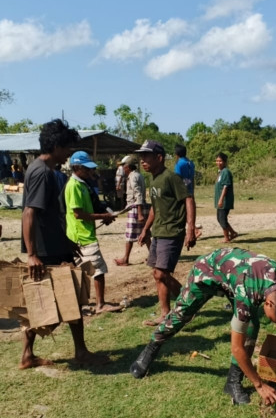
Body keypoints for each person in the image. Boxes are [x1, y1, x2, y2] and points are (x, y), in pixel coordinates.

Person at [130, 247, 276, 405]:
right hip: (207, 273)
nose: (275, 323)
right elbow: (236, 348)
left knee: (251, 325)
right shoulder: (247, 296)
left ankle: (232, 382)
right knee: (180, 316)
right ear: (269, 304)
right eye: (275, 320)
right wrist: (259, 385)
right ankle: (150, 349)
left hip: (234, 277)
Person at [20, 119, 105, 369]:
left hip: (55, 246)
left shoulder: (48, 171)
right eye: (67, 147)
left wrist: (67, 241)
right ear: (56, 145)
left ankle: (30, 355)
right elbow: (29, 213)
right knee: (69, 298)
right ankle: (80, 352)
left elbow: (49, 216)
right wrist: (33, 254)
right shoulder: (41, 173)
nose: (69, 153)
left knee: (44, 301)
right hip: (46, 252)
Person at [136, 139, 197, 326]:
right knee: (157, 273)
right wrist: (146, 229)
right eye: (141, 157)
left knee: (161, 273)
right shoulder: (153, 179)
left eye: (146, 156)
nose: (142, 160)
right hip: (158, 232)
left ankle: (189, 304)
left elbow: (188, 199)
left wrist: (191, 228)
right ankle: (165, 313)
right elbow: (155, 207)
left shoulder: (171, 177)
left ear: (159, 157)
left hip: (172, 231)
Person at [63, 151, 121, 314]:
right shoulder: (74, 186)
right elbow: (78, 214)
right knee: (98, 270)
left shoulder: (83, 184)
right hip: (81, 235)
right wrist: (103, 216)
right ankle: (100, 304)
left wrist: (105, 215)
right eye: (86, 169)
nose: (90, 172)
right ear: (76, 167)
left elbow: (91, 207)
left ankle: (80, 305)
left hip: (84, 233)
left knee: (82, 272)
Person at [114, 155, 149, 266]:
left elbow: (138, 194)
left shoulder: (133, 177)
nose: (123, 168)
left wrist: (139, 213)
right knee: (146, 233)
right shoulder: (139, 175)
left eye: (124, 166)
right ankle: (154, 256)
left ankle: (125, 259)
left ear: (128, 167)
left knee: (129, 236)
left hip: (136, 208)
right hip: (139, 207)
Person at [214, 152, 238, 242]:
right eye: (217, 161)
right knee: (219, 218)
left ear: (224, 162)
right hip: (220, 200)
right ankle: (233, 233)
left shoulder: (226, 172)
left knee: (222, 219)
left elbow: (225, 186)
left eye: (220, 161)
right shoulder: (221, 172)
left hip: (224, 200)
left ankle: (226, 238)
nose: (218, 163)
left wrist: (221, 199)